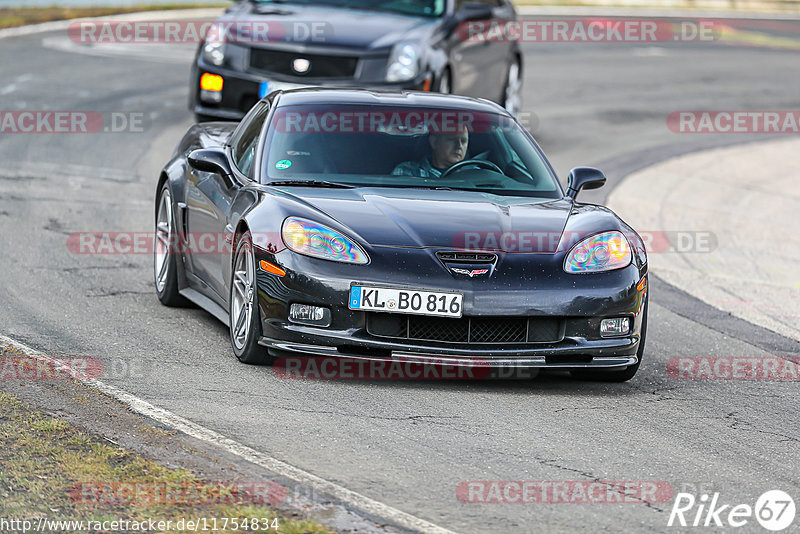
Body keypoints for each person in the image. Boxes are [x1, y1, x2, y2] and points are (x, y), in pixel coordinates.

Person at [392, 128, 469, 178]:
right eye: (452, 139)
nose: (459, 146)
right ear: (434, 142)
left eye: (463, 141)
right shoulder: (407, 172)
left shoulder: (475, 173)